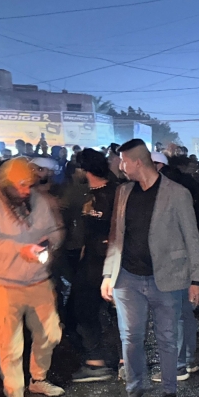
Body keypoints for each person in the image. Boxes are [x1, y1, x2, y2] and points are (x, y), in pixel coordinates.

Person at [101, 139, 199, 397]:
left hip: (167, 279)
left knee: (167, 338)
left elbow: (192, 238)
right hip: (127, 279)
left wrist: (197, 279)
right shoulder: (123, 192)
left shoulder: (177, 193)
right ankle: (134, 392)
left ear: (136, 162)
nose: (120, 166)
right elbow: (116, 236)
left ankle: (169, 394)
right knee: (131, 338)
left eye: (123, 161)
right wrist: (108, 274)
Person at [0, 157, 65, 397]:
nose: (26, 190)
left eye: (30, 185)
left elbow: (55, 230)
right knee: (9, 345)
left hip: (38, 280)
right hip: (5, 283)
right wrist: (19, 249)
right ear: (7, 182)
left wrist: (49, 243)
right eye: (22, 185)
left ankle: (38, 378)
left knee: (50, 331)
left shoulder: (38, 200)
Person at [150, 151, 199, 383]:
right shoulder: (182, 183)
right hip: (181, 257)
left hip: (173, 260)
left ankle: (178, 366)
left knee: (173, 315)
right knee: (183, 313)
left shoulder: (170, 189)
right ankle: (187, 359)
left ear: (158, 165)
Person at [69, 149, 117, 382]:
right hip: (90, 261)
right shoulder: (88, 194)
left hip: (108, 262)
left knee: (110, 310)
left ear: (85, 169)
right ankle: (100, 359)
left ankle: (110, 361)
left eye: (76, 167)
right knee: (85, 308)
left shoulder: (115, 193)